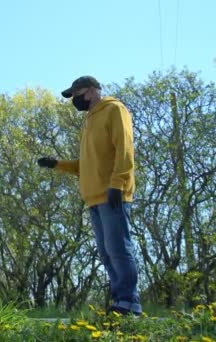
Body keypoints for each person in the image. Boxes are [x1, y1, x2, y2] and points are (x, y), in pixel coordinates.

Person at [37, 76, 142, 316]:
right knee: (106, 253)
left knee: (119, 249)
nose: (75, 99)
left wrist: (117, 183)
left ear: (93, 90)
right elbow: (87, 164)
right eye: (72, 96)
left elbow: (125, 148)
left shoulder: (114, 109)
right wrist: (57, 164)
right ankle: (120, 303)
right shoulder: (88, 121)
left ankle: (130, 302)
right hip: (93, 198)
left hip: (113, 194)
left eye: (77, 93)